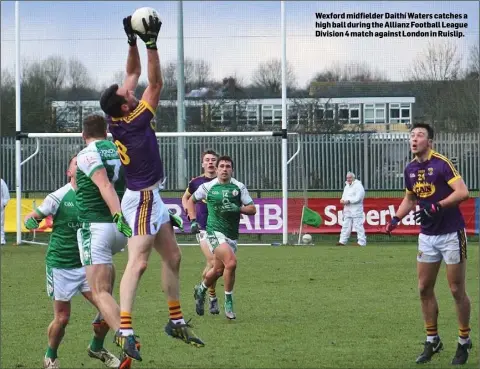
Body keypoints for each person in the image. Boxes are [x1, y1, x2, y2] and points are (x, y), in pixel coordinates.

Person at [99, 14, 204, 363]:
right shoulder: (134, 118)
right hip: (142, 197)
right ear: (126, 104)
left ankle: (175, 320)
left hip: (150, 196)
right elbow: (155, 84)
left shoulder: (118, 113)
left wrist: (131, 39)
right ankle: (124, 329)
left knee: (173, 256)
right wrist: (152, 44)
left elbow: (132, 75)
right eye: (127, 92)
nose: (130, 87)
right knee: (139, 262)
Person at [385, 123, 471, 365]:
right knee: (423, 288)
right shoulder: (410, 169)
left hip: (452, 233)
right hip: (427, 236)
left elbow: (463, 192)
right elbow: (410, 198)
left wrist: (437, 205)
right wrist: (396, 218)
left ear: (429, 141)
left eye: (419, 135)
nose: (414, 138)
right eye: (412, 135)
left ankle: (464, 340)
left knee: (456, 290)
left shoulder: (441, 163)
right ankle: (432, 339)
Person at [23, 155, 120, 369]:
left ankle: (97, 347)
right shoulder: (57, 197)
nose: (82, 165)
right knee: (63, 318)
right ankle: (50, 356)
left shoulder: (96, 195)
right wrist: (39, 221)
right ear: (69, 172)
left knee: (108, 309)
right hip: (61, 264)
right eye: (77, 163)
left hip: (88, 264)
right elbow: (30, 219)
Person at [76, 115, 133, 361]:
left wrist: (117, 213)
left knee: (98, 292)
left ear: (83, 134)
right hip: (119, 232)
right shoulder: (120, 151)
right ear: (107, 132)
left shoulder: (87, 154)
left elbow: (105, 186)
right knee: (106, 294)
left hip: (97, 227)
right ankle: (96, 344)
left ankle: (126, 335)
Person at [188, 155, 256, 320]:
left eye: (228, 166)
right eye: (222, 166)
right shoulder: (207, 186)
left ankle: (201, 289)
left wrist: (238, 208)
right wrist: (193, 220)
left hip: (231, 235)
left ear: (232, 170)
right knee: (231, 263)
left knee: (218, 270)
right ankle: (228, 301)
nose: (224, 169)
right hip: (213, 232)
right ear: (217, 169)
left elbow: (252, 209)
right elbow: (190, 200)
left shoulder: (239, 187)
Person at [181, 149, 220, 315]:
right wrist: (191, 217)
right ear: (203, 163)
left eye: (213, 160)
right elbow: (186, 198)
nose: (210, 162)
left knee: (215, 265)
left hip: (221, 227)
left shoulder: (223, 182)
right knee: (213, 262)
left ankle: (201, 289)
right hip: (203, 227)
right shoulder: (196, 182)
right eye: (207, 160)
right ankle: (212, 298)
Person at [336, 172, 366, 247]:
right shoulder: (347, 186)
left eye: (350, 178)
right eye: (347, 178)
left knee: (358, 225)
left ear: (353, 178)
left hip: (356, 209)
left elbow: (359, 198)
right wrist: (342, 200)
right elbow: (344, 196)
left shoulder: (358, 186)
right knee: (345, 225)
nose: (348, 179)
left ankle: (361, 242)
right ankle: (342, 241)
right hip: (347, 209)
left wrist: (349, 201)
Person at [1, 177, 10, 245]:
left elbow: (6, 194)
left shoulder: (1, 182)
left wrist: (3, 204)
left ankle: (1, 240)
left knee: (0, 223)